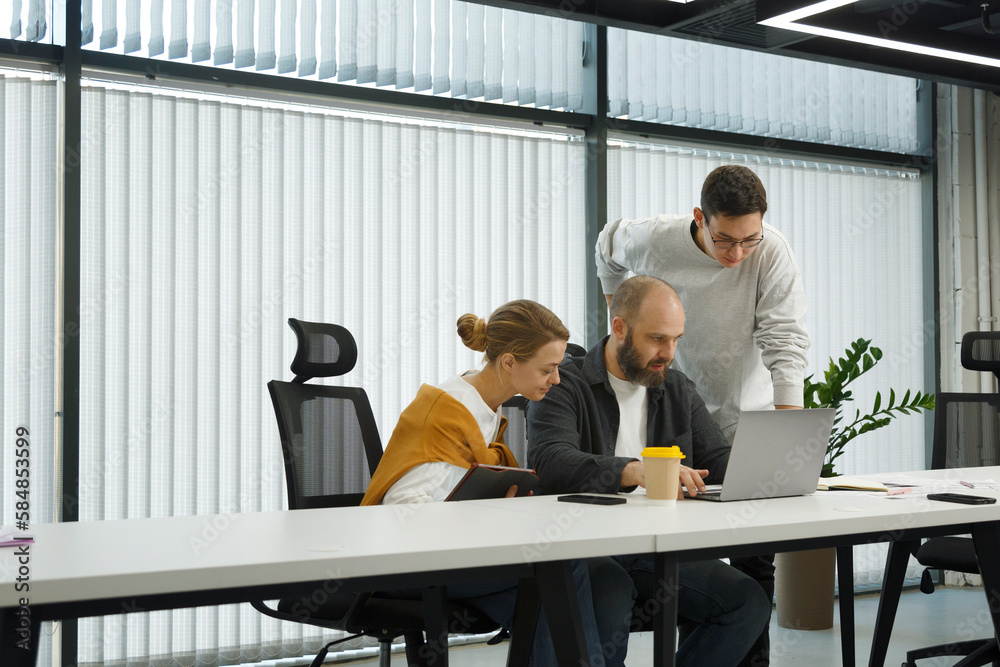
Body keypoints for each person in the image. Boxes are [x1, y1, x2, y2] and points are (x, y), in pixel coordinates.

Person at [595, 165, 809, 665]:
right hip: (677, 415)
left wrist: (788, 435)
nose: (737, 254)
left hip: (745, 420)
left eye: (749, 239)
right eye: (725, 240)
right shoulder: (654, 238)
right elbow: (607, 245)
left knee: (754, 565)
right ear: (699, 218)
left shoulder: (771, 251)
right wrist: (619, 315)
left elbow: (785, 342)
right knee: (693, 562)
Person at [362, 299, 635, 667]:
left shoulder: (486, 409)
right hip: (408, 565)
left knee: (601, 578)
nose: (556, 379)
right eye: (548, 369)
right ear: (509, 362)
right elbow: (401, 511)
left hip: (460, 557)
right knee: (559, 570)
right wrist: (482, 518)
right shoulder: (447, 413)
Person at [526, 276, 771, 667]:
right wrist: (636, 471)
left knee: (747, 601)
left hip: (656, 547)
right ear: (620, 328)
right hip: (587, 545)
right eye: (657, 339)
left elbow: (716, 458)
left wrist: (770, 469)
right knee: (609, 592)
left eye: (676, 340)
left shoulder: (676, 388)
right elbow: (551, 460)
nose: (668, 353)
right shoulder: (564, 382)